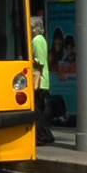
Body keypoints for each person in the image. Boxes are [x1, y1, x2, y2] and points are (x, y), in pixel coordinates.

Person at [31, 17, 55, 146]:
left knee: (37, 111)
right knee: (39, 109)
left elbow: (39, 61)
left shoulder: (36, 40)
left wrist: (27, 60)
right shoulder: (41, 39)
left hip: (38, 80)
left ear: (34, 28)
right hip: (42, 80)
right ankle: (45, 135)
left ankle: (41, 137)